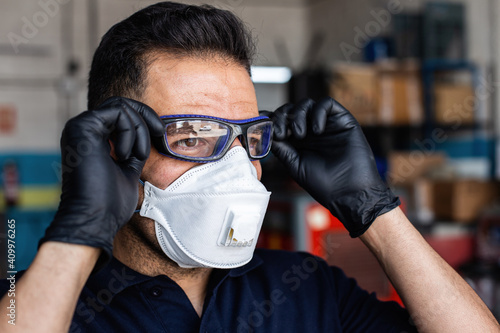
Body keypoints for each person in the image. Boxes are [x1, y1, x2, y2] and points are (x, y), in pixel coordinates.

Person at [1, 2, 498, 332]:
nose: (235, 168)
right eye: (194, 136)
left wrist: (376, 212)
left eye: (246, 137)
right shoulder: (40, 301)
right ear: (115, 148)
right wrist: (77, 231)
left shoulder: (307, 288)